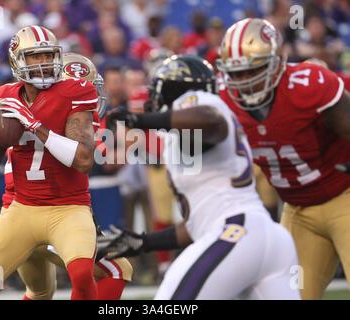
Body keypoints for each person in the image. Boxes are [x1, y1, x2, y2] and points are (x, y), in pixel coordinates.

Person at [102, 55, 300, 299]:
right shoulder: (177, 139)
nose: (152, 99)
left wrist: (140, 120)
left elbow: (212, 122)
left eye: (158, 90)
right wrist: (144, 242)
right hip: (258, 238)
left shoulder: (199, 104)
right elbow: (197, 222)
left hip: (237, 231)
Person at [216, 18, 350, 299]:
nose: (245, 81)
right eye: (236, 74)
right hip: (299, 211)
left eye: (252, 70)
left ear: (277, 62)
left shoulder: (309, 84)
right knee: (289, 296)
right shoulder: (223, 102)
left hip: (344, 197)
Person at [0, 25, 98, 300]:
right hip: (22, 209)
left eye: (48, 55)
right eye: (35, 57)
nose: (44, 63)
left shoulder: (74, 90)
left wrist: (35, 125)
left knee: (83, 273)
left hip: (68, 207)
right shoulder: (2, 95)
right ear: (17, 61)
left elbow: (83, 161)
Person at [15, 53, 133, 300]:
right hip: (50, 216)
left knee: (40, 293)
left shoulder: (34, 118)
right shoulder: (65, 127)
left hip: (19, 218)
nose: (90, 98)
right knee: (118, 269)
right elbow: (96, 159)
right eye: (83, 92)